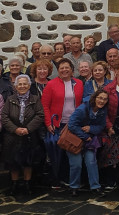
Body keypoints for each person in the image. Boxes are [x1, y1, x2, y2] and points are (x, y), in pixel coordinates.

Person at [41, 60, 83, 190]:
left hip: (73, 124)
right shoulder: (51, 84)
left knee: (72, 150)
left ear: (72, 69)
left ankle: (69, 179)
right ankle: (56, 179)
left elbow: (82, 103)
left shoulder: (79, 83)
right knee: (56, 152)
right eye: (61, 68)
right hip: (57, 124)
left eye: (67, 68)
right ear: (57, 70)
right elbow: (45, 106)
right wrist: (48, 123)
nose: (64, 70)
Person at [1, 74, 45, 196]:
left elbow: (40, 115)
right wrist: (15, 129)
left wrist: (28, 129)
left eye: (25, 84)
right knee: (13, 162)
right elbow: (4, 117)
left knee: (28, 161)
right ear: (15, 86)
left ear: (29, 86)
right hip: (13, 136)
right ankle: (14, 185)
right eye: (19, 84)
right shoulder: (10, 99)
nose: (22, 86)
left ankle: (27, 184)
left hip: (30, 136)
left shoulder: (35, 99)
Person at [67, 88, 109, 196]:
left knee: (91, 162)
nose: (102, 101)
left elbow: (101, 126)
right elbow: (71, 125)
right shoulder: (82, 109)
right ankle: (74, 186)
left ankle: (95, 186)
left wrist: (91, 129)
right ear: (95, 98)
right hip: (75, 139)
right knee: (76, 164)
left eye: (105, 99)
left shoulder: (103, 111)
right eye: (100, 98)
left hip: (90, 141)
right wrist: (84, 136)